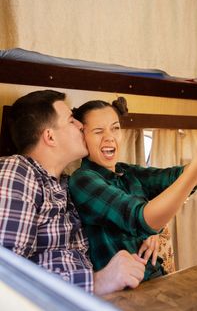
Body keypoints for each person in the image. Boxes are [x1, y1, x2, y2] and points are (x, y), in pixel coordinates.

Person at [0, 90, 147, 296]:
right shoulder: (19, 170)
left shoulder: (67, 183)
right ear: (50, 136)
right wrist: (97, 281)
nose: (80, 125)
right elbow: (5, 274)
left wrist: (148, 231)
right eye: (71, 120)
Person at [69, 98, 197, 281]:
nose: (110, 137)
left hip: (155, 279)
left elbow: (177, 178)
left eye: (115, 128)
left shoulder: (126, 172)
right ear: (82, 136)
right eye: (98, 131)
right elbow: (140, 219)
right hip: (125, 292)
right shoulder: (82, 180)